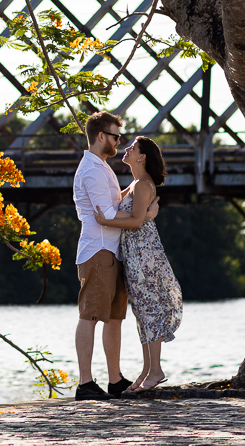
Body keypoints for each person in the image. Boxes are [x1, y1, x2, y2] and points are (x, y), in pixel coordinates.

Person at [73, 112, 159, 401]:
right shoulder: (93, 170)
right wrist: (144, 214)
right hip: (98, 251)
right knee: (90, 315)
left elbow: (112, 202)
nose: (118, 141)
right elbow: (106, 215)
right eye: (115, 136)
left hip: (113, 251)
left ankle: (115, 380)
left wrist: (134, 193)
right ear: (101, 137)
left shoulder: (102, 167)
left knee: (113, 319)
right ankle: (85, 383)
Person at [94, 135, 183, 390]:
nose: (126, 149)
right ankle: (147, 371)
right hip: (134, 253)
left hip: (144, 254)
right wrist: (144, 214)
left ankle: (155, 371)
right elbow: (118, 206)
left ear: (142, 157)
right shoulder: (135, 183)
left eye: (132, 148)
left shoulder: (143, 185)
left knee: (150, 310)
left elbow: (133, 220)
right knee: (142, 312)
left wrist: (106, 222)